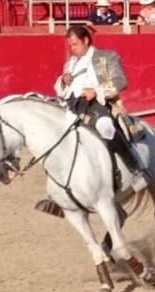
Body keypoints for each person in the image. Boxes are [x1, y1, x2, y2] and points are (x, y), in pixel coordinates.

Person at [53, 25, 148, 193]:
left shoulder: (106, 57)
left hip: (97, 105)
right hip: (72, 106)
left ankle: (135, 169)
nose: (72, 49)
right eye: (70, 45)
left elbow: (120, 81)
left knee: (106, 126)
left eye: (75, 44)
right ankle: (59, 189)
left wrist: (96, 91)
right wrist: (63, 80)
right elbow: (61, 91)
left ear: (86, 40)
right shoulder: (70, 63)